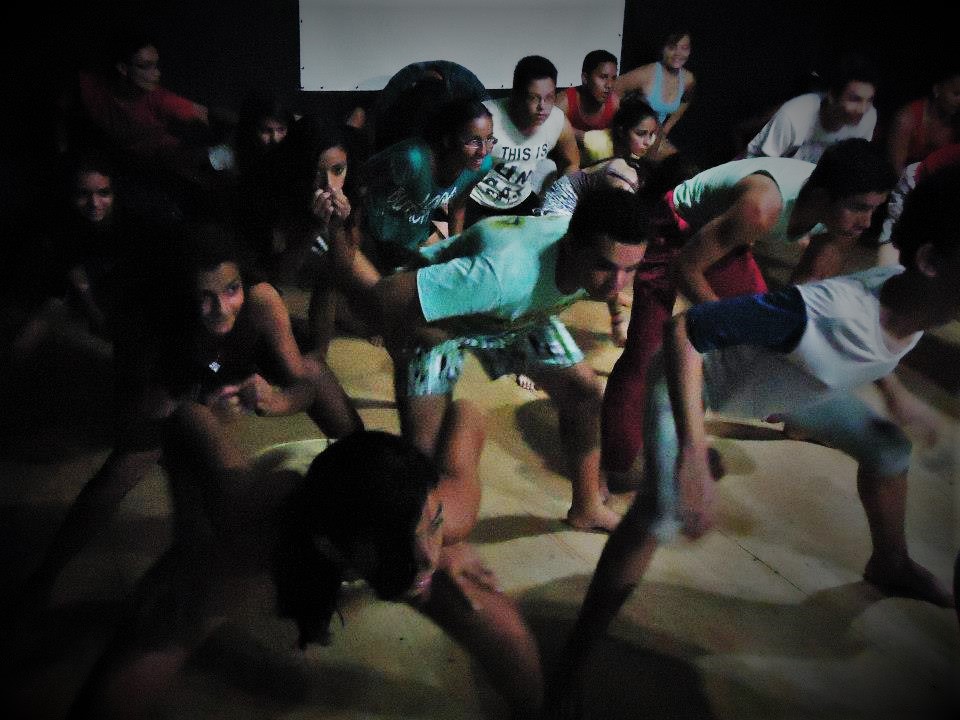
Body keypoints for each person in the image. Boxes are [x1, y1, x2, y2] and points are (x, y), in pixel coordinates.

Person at [551, 164, 960, 719]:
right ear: (932, 261)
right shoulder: (824, 312)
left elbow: (877, 344)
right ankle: (570, 661)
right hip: (692, 381)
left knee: (888, 449)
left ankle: (890, 562)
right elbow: (685, 332)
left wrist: (897, 396)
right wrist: (694, 452)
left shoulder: (910, 297)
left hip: (789, 386)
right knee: (660, 512)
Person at [66, 418, 544, 719]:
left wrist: (447, 536)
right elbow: (189, 422)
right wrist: (187, 546)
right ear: (329, 547)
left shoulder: (447, 513)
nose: (429, 557)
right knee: (167, 618)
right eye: (402, 546)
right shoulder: (250, 530)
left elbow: (469, 415)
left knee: (490, 615)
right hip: (280, 509)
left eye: (433, 527)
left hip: (368, 491)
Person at [20, 222, 362, 609]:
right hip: (175, 383)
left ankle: (365, 509)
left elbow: (304, 384)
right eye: (205, 297)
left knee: (319, 375)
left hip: (232, 367)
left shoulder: (261, 300)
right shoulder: (150, 324)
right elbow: (145, 410)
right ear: (183, 295)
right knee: (129, 468)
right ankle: (45, 575)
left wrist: (274, 400)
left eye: (231, 289)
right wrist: (201, 399)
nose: (222, 308)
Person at [330, 186, 652, 533]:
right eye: (605, 267)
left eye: (630, 269)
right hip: (443, 317)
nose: (617, 284)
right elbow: (386, 296)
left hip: (515, 315)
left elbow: (613, 269)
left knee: (584, 393)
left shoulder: (590, 251)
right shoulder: (504, 274)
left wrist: (617, 317)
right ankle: (412, 535)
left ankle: (587, 507)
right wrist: (405, 341)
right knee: (423, 457)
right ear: (572, 245)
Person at [601, 139, 898, 486]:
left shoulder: (843, 224)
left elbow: (799, 301)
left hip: (724, 239)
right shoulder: (761, 206)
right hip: (673, 225)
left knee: (767, 338)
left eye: (874, 210)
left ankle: (784, 417)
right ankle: (613, 466)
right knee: (647, 352)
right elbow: (686, 267)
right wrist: (728, 327)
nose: (866, 222)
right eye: (859, 207)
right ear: (822, 197)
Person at [540, 97, 664, 346]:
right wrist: (618, 322)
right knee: (568, 275)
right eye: (641, 134)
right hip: (562, 205)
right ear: (623, 132)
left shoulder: (630, 166)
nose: (648, 142)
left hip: (582, 207)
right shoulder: (622, 175)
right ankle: (544, 330)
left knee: (609, 266)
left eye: (652, 134)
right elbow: (612, 237)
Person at [465, 55, 580, 227]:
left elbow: (572, 162)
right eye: (534, 98)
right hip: (477, 199)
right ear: (516, 94)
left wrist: (559, 202)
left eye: (549, 97)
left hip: (519, 200)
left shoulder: (558, 121)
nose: (542, 107)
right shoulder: (485, 117)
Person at [745, 51, 878, 163]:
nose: (863, 109)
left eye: (869, 100)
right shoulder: (794, 115)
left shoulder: (869, 118)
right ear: (832, 96)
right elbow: (762, 167)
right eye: (855, 99)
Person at [614, 30, 695, 156]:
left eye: (684, 48)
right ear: (663, 48)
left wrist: (665, 129)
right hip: (634, 138)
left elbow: (686, 101)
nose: (678, 53)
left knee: (680, 162)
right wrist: (621, 125)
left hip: (654, 136)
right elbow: (613, 89)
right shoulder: (646, 74)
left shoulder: (688, 79)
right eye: (672, 47)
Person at [885, 64, 960, 175]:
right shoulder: (906, 119)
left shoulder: (956, 122)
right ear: (937, 89)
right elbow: (895, 169)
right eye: (956, 94)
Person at [555, 49, 620, 146]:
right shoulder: (564, 102)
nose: (609, 85)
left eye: (613, 78)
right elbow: (549, 130)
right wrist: (585, 137)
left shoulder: (614, 103)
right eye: (603, 77)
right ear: (585, 78)